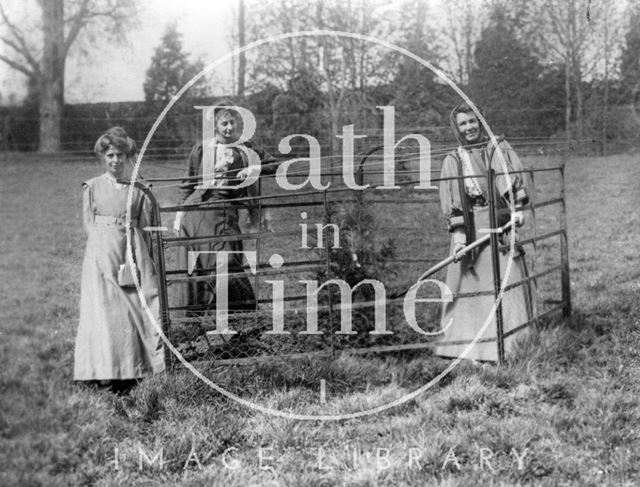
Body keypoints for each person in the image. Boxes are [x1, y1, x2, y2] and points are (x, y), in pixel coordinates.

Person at [435, 102, 533, 362]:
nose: (469, 128)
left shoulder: (497, 148)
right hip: (471, 230)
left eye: (472, 122)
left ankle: (511, 344)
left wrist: (516, 210)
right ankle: (466, 348)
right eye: (463, 124)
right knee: (470, 283)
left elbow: (509, 180)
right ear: (456, 128)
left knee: (505, 280)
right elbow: (455, 204)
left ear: (481, 121)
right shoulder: (453, 161)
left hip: (500, 223)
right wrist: (458, 240)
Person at [74, 127, 164, 393]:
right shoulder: (92, 187)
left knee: (136, 306)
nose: (115, 160)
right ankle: (102, 369)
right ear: (103, 156)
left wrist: (139, 256)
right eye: (110, 155)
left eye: (121, 155)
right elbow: (89, 225)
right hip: (102, 254)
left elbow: (147, 228)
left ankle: (135, 368)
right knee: (103, 310)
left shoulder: (138, 190)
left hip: (132, 251)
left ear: (129, 157)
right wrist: (103, 253)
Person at [175, 104, 274, 317]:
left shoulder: (246, 147)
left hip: (226, 212)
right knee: (201, 262)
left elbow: (275, 165)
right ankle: (201, 315)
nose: (229, 127)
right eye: (224, 123)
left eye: (232, 122)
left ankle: (238, 315)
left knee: (228, 260)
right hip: (196, 214)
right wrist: (178, 213)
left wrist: (254, 168)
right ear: (215, 125)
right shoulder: (201, 149)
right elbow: (187, 183)